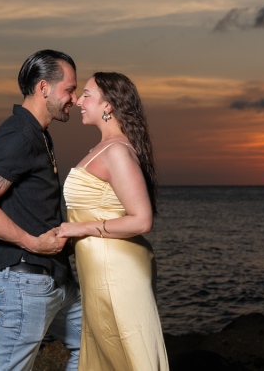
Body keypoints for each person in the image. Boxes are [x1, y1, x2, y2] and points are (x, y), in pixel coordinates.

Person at [0, 49, 83, 371]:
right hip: (25, 281)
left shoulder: (39, 135)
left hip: (55, 279)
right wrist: (34, 243)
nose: (75, 99)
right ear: (44, 88)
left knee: (92, 345)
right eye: (70, 89)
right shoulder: (18, 134)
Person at [58, 72, 169, 371]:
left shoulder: (117, 151)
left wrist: (80, 228)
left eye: (87, 94)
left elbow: (142, 220)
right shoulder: (105, 148)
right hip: (101, 268)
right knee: (109, 354)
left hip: (116, 270)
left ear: (108, 105)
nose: (79, 101)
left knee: (128, 354)